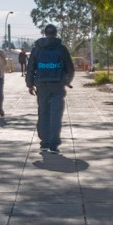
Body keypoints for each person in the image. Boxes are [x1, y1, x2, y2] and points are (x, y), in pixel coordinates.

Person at [26, 24, 75, 154]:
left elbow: (30, 68)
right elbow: (70, 68)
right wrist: (66, 81)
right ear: (55, 33)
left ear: (45, 33)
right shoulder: (62, 49)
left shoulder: (37, 49)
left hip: (41, 86)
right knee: (55, 114)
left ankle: (44, 143)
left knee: (43, 113)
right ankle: (53, 144)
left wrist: (30, 84)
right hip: (58, 86)